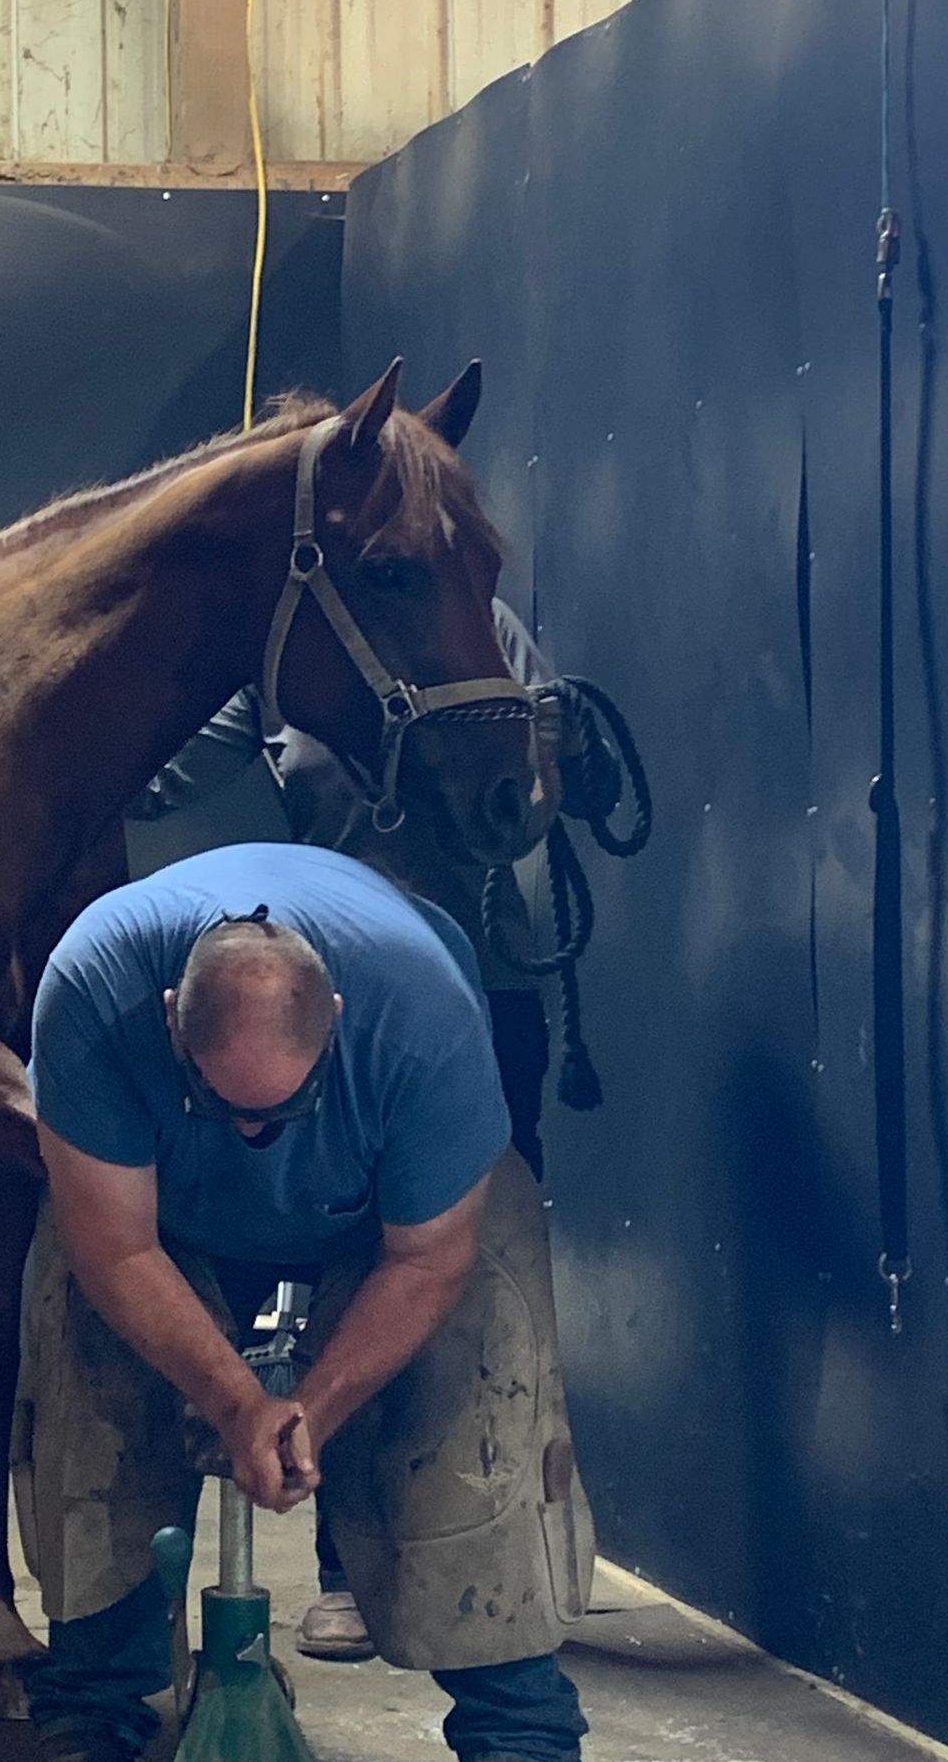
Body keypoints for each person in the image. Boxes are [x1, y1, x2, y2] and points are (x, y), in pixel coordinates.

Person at [15, 844, 595, 1762]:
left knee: (474, 1384)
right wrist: (237, 1399)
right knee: (84, 1349)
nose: (253, 1129)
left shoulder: (420, 1017)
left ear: (334, 1016)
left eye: (278, 1107)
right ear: (167, 1020)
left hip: (390, 1209)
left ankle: (520, 1743)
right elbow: (116, 1245)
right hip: (160, 1213)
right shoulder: (91, 990)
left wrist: (310, 1409)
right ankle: (89, 1707)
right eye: (227, 1103)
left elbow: (427, 1257)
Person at [130, 598, 618, 1663]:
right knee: (325, 1263)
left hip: (471, 987)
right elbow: (154, 770)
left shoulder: (476, 631)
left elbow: (524, 806)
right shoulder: (279, 661)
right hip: (329, 1003)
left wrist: (542, 748)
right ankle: (352, 1565)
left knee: (475, 1277)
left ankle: (500, 1558)